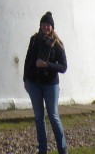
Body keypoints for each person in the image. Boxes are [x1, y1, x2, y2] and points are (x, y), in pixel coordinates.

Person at [23, 11, 68, 154]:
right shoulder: (34, 39)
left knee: (54, 116)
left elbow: (63, 67)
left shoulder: (58, 45)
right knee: (39, 118)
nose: (46, 27)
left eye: (48, 25)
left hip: (50, 84)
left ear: (52, 27)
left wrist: (47, 65)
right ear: (40, 25)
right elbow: (28, 59)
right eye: (44, 24)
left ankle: (62, 149)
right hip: (33, 83)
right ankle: (42, 150)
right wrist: (25, 79)